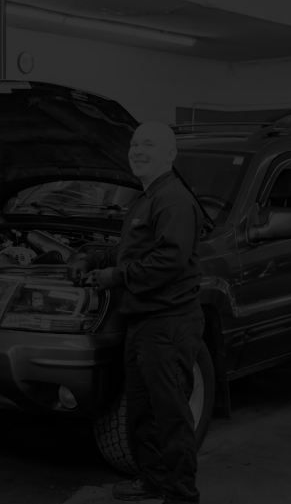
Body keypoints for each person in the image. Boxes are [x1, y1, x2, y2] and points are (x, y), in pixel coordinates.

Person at [69, 121, 206, 504]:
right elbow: (133, 250)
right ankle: (152, 478)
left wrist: (115, 276)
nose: (137, 151)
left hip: (169, 323)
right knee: (142, 410)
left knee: (171, 413)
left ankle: (181, 494)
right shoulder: (145, 198)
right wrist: (91, 257)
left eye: (148, 144)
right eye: (134, 144)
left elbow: (170, 259)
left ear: (170, 154)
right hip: (144, 322)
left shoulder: (173, 199)